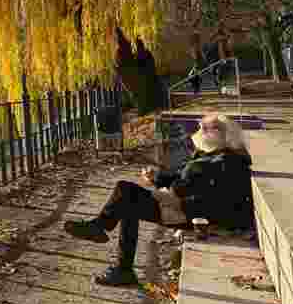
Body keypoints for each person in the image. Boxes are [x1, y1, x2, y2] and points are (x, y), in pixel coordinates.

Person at [63, 112, 253, 286]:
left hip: (190, 215)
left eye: (205, 129)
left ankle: (104, 236)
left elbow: (217, 203)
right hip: (177, 204)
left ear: (221, 134)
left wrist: (171, 199)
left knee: (125, 191)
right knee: (128, 201)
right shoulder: (212, 154)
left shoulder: (228, 163)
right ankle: (119, 262)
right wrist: (158, 179)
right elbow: (183, 179)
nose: (199, 132)